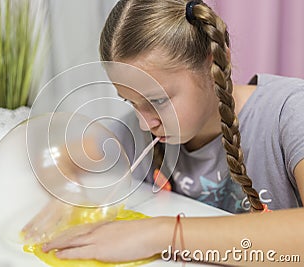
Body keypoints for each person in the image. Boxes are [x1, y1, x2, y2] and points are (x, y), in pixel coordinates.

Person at [29, 0, 304, 265]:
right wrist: (66, 200)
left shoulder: (290, 113)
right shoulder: (137, 133)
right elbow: (60, 159)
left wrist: (162, 234)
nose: (144, 124)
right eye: (130, 102)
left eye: (158, 101)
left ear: (214, 65)